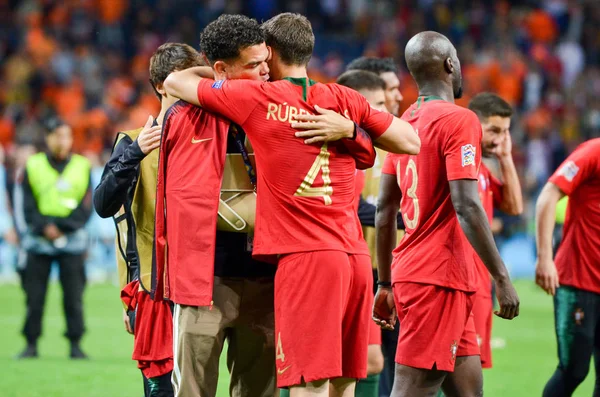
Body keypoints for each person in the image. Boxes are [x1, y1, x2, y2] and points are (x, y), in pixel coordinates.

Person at [161, 12, 419, 397]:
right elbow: (411, 141)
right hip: (354, 256)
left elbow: (174, 80)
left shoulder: (259, 98)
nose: (263, 68)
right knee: (343, 385)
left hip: (307, 260)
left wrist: (217, 75)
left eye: (264, 59)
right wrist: (351, 130)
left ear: (273, 52)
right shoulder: (342, 98)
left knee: (307, 385)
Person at [373, 31, 519, 397]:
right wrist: (501, 278)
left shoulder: (404, 122)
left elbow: (385, 209)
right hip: (436, 278)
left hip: (434, 276)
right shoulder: (460, 120)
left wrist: (386, 283)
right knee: (412, 388)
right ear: (449, 64)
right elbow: (467, 204)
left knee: (468, 391)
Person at [154, 18, 278, 397]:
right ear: (220, 69)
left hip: (267, 278)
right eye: (254, 64)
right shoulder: (182, 117)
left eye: (266, 61)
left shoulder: (278, 111)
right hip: (203, 282)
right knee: (193, 392)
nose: (266, 71)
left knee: (259, 393)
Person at [93, 43, 204, 397]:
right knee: (161, 389)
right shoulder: (132, 142)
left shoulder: (212, 138)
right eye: (186, 79)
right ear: (162, 86)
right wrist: (136, 152)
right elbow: (104, 204)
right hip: (153, 289)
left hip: (207, 286)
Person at [344, 58, 406, 397]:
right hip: (356, 265)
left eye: (394, 92)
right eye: (383, 97)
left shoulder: (392, 141)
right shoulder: (348, 145)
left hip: (388, 269)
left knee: (386, 359)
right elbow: (352, 205)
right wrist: (404, 217)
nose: (394, 100)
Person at [16, 115, 92, 360]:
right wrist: (45, 228)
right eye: (58, 135)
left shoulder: (82, 166)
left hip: (71, 241)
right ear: (47, 138)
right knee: (34, 296)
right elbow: (27, 205)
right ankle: (31, 343)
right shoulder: (33, 165)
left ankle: (75, 343)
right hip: (39, 241)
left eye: (66, 136)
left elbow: (86, 206)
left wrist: (60, 227)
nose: (63, 141)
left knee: (74, 297)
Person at [336, 69, 390, 397]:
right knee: (313, 367)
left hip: (365, 267)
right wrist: (398, 219)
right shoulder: (337, 147)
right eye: (379, 103)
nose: (386, 110)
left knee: (369, 361)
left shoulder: (378, 146)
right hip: (332, 260)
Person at [535, 138, 600, 397]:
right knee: (574, 369)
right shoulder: (593, 152)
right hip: (579, 280)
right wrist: (544, 257)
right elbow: (549, 194)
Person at [468, 92, 523, 370]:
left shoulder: (481, 169)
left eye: (505, 132)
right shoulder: (461, 164)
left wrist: (505, 156)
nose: (499, 139)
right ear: (473, 123)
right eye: (494, 130)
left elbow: (514, 206)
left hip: (481, 282)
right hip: (462, 283)